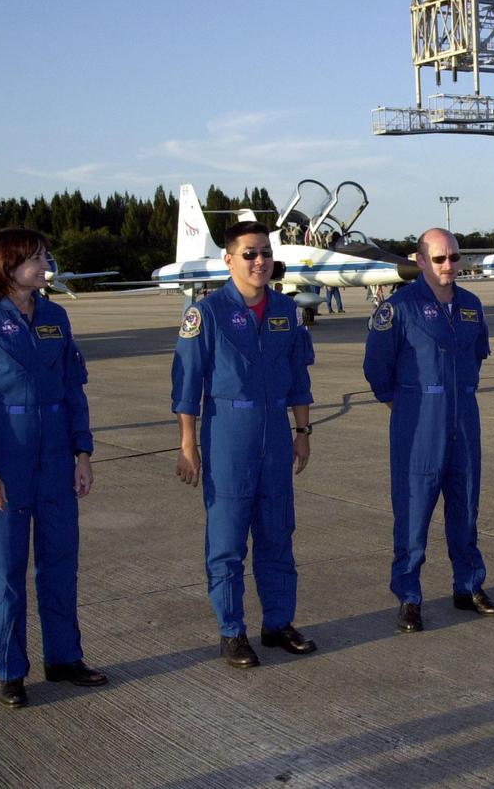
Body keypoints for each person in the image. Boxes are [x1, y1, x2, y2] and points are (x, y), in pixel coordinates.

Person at [0, 228, 107, 709]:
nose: (46, 266)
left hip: (58, 456)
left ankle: (64, 658)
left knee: (61, 563)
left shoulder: (56, 317)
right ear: (7, 265)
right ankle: (10, 670)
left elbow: (73, 389)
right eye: (36, 259)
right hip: (8, 457)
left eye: (46, 257)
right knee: (7, 570)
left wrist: (83, 453)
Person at [172, 220, 318, 667]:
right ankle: (231, 631)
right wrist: (187, 444)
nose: (260, 261)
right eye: (250, 253)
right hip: (228, 435)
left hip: (275, 433)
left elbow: (298, 377)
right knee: (228, 540)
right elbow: (187, 383)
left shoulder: (285, 311)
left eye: (266, 253)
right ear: (229, 259)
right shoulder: (208, 313)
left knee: (278, 534)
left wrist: (302, 432)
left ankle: (277, 623)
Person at [363, 228, 494, 633]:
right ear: (420, 260)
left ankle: (469, 586)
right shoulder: (399, 308)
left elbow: (477, 355)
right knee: (413, 511)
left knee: (465, 505)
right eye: (439, 259)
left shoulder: (472, 306)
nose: (449, 266)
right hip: (418, 424)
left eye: (454, 258)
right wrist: (404, 404)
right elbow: (377, 368)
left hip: (463, 420)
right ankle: (408, 596)